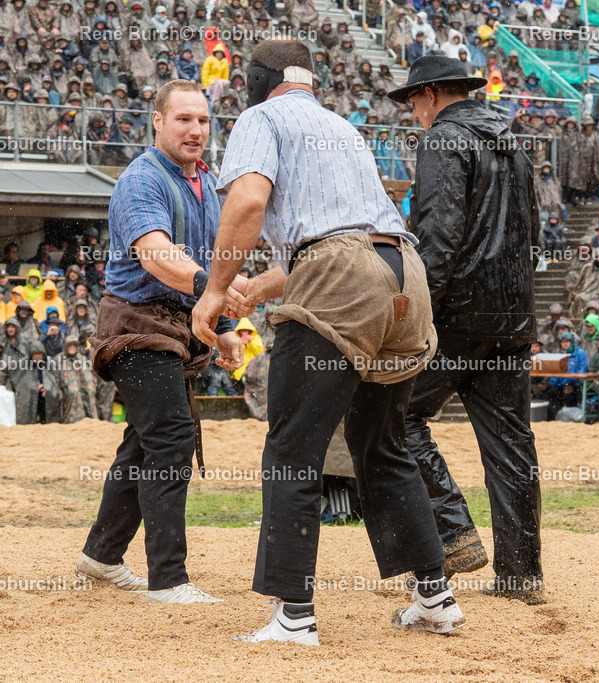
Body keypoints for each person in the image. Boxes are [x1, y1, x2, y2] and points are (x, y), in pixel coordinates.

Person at [192, 40, 463, 645]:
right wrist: (255, 288)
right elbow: (342, 241)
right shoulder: (343, 128)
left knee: (292, 447)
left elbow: (251, 202)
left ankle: (294, 615)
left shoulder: (261, 117)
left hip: (340, 278)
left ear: (256, 81)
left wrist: (214, 290)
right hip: (403, 275)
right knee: (383, 444)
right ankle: (435, 597)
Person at [383, 53, 544, 598]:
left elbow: (438, 237)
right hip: (511, 316)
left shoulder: (443, 140)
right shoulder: (514, 143)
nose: (414, 113)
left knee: (395, 418)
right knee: (512, 444)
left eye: (413, 103)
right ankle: (522, 575)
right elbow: (534, 234)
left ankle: (452, 534)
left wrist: (414, 310)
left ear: (430, 95)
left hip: (455, 314)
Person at [77, 80, 243, 606]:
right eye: (183, 119)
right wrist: (215, 290)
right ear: (157, 121)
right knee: (171, 438)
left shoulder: (208, 183)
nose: (195, 130)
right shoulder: (141, 179)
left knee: (145, 442)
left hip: (179, 327)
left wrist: (224, 327)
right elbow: (155, 253)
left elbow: (212, 261)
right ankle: (168, 578)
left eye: (203, 121)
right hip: (135, 326)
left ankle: (101, 556)